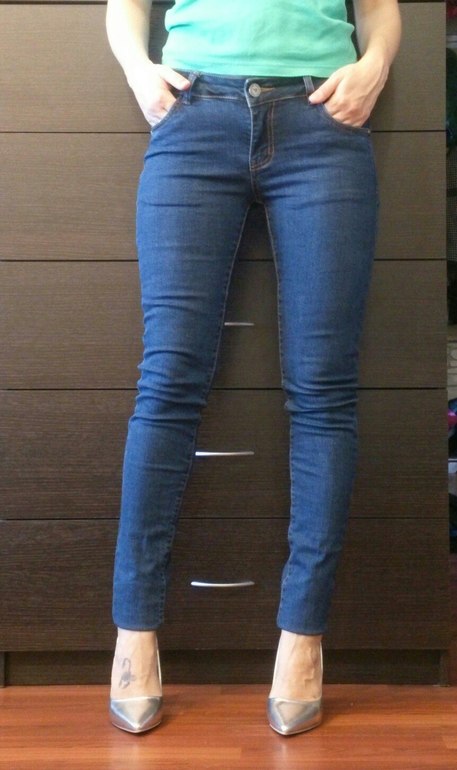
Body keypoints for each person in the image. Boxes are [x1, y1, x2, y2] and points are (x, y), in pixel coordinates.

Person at [105, 0, 402, 736]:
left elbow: (380, 8)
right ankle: (133, 630)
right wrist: (138, 69)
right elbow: (125, 5)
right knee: (168, 379)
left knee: (323, 389)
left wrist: (374, 65)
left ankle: (303, 636)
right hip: (192, 115)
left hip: (322, 121)